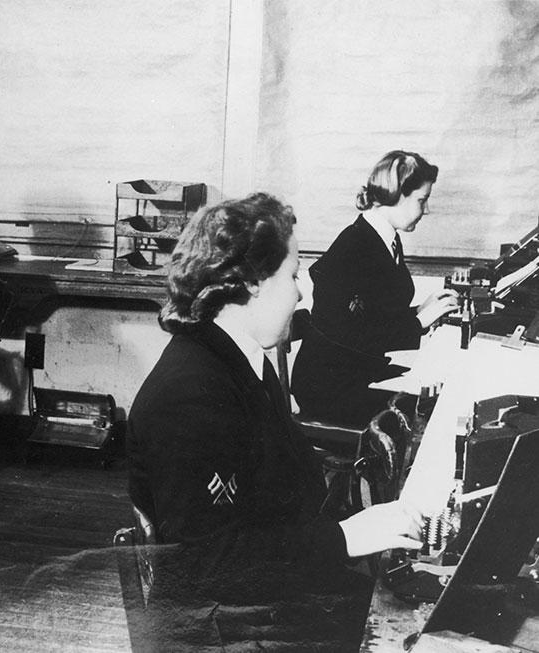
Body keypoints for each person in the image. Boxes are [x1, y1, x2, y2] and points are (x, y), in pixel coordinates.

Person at [127, 192, 425, 649]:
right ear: (250, 284)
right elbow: (213, 560)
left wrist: (362, 521)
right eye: (292, 274)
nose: (303, 289)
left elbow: (282, 494)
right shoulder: (190, 394)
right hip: (228, 626)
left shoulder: (240, 359)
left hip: (259, 600)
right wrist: (344, 537)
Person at [292, 150, 459, 426]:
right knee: (432, 409)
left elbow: (373, 314)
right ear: (397, 196)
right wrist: (416, 323)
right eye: (422, 200)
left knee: (439, 392)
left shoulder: (384, 238)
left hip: (355, 373)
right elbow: (346, 332)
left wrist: (421, 309)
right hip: (330, 388)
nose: (426, 209)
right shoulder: (354, 246)